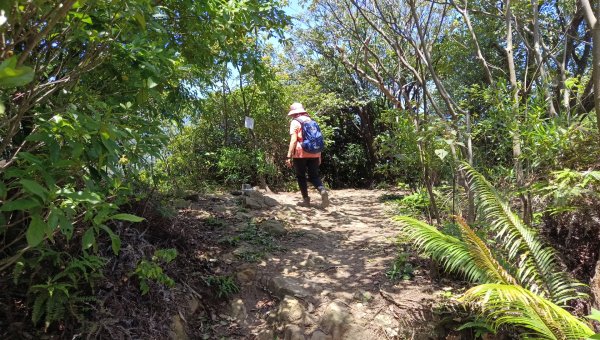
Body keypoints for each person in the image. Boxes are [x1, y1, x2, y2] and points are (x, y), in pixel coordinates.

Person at [285, 102, 329, 207]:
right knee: (314, 176)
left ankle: (306, 200)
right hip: (314, 152)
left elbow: (293, 140)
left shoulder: (295, 122)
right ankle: (322, 190)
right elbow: (318, 140)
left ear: (294, 113)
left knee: (301, 176)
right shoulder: (312, 121)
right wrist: (319, 155)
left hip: (300, 154)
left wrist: (288, 156)